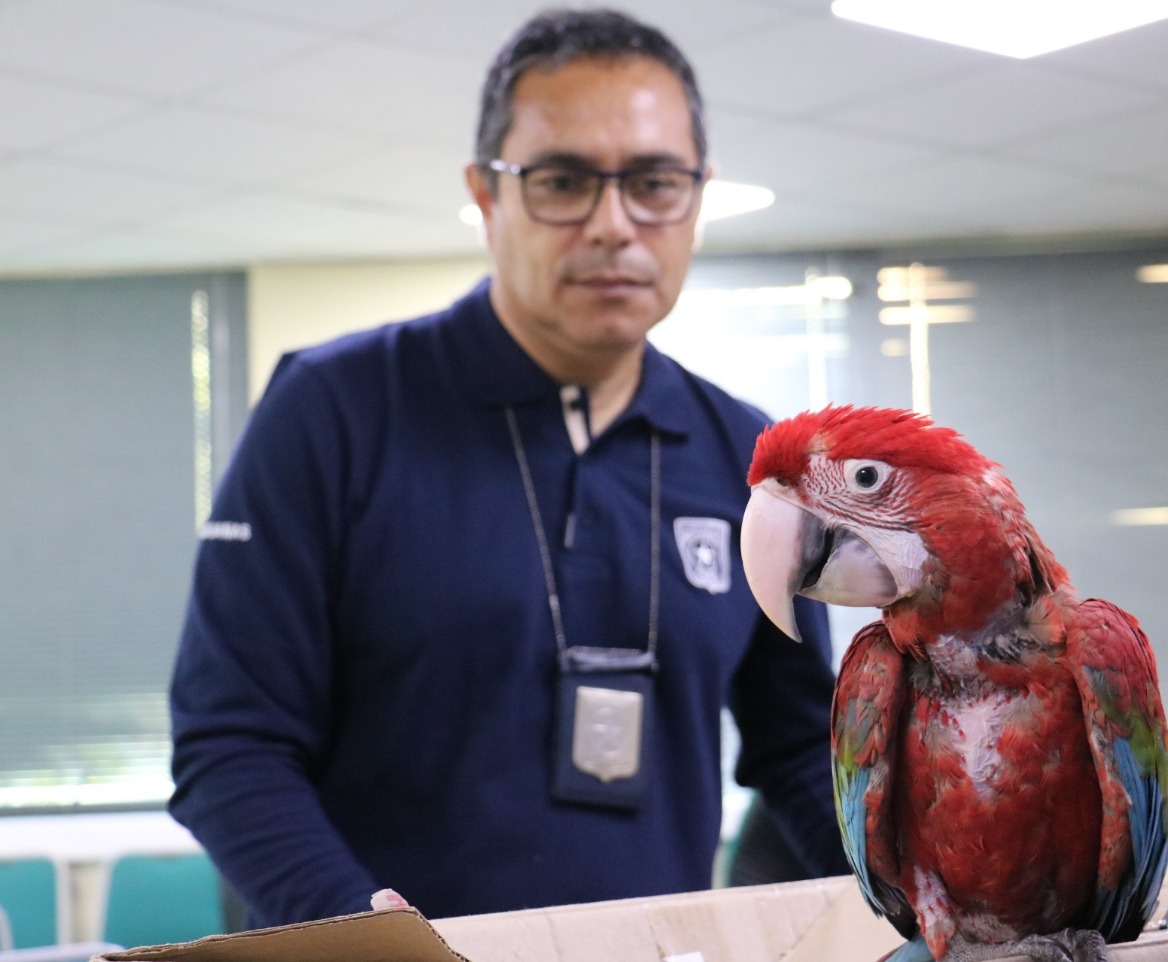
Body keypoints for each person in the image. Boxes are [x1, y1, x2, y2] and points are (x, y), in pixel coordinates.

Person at [168, 7, 848, 929]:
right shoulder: (331, 410)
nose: (614, 225)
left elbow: (808, 749)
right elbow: (230, 746)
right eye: (562, 181)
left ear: (697, 194)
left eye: (654, 182)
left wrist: (939, 910)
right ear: (487, 194)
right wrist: (372, 939)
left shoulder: (748, 456)